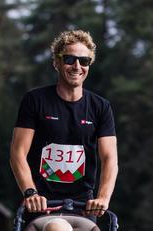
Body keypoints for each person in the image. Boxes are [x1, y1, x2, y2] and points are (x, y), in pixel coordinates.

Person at [9, 30, 118, 218]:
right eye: (69, 59)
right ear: (56, 62)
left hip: (83, 204)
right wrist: (30, 192)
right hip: (41, 203)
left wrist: (103, 198)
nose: (77, 66)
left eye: (84, 61)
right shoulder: (35, 100)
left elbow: (110, 158)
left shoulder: (101, 107)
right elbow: (17, 153)